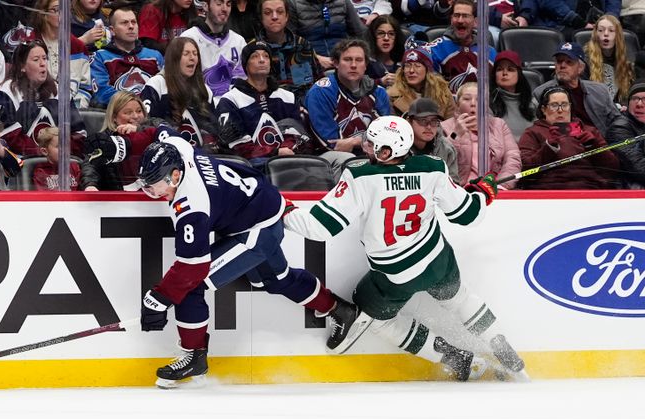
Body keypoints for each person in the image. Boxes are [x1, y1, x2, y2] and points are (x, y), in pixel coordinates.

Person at [282, 115, 527, 381]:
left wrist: (279, 208)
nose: (365, 146)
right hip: (438, 262)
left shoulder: (360, 176)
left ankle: (455, 357)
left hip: (394, 276)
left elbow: (316, 228)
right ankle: (504, 350)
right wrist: (481, 193)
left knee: (374, 318)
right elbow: (467, 215)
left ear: (386, 151)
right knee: (461, 300)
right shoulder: (432, 167)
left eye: (371, 143)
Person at [128, 136, 350, 388]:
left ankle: (194, 356)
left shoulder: (192, 207)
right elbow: (161, 131)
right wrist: (120, 146)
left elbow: (193, 268)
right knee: (277, 279)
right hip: (261, 207)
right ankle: (338, 308)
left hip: (255, 229)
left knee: (190, 288)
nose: (153, 193)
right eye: (147, 186)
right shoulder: (179, 149)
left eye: (155, 186)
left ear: (176, 175)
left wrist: (159, 298)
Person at [216, 41, 312, 166]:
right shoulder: (230, 100)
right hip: (251, 167)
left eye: (266, 56)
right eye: (255, 56)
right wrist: (275, 152)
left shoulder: (287, 97)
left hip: (291, 163)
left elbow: (299, 135)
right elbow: (236, 145)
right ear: (245, 65)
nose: (262, 60)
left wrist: (286, 151)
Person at [0, 40, 87, 158]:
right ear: (22, 66)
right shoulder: (5, 94)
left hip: (61, 160)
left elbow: (79, 133)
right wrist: (43, 154)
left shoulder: (60, 92)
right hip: (23, 165)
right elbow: (9, 138)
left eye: (44, 58)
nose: (42, 64)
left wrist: (60, 153)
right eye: (36, 60)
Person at [304, 39, 391, 167]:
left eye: (359, 60)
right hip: (325, 156)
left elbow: (387, 134)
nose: (354, 65)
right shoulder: (321, 92)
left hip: (370, 152)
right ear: (335, 63)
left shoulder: (378, 92)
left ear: (366, 65)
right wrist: (368, 143)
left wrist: (356, 141)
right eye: (348, 59)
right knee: (349, 160)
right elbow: (333, 144)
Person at [518, 85, 619, 189]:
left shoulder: (589, 131)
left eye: (564, 105)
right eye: (554, 105)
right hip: (549, 191)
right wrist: (548, 148)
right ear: (543, 109)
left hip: (589, 190)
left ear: (570, 107)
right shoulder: (533, 132)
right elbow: (525, 171)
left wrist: (594, 147)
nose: (560, 110)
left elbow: (613, 168)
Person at [140, 37, 219, 151]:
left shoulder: (204, 89)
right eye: (186, 54)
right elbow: (145, 122)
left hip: (203, 156)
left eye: (195, 53)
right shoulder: (157, 84)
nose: (192, 58)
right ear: (174, 58)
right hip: (167, 152)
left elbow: (212, 125)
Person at [533, 42, 622, 139]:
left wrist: (615, 139)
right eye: (559, 61)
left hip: (600, 143)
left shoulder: (600, 90)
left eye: (569, 62)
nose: (562, 65)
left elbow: (616, 119)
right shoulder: (541, 93)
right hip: (563, 144)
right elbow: (538, 127)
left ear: (580, 68)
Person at [442, 82, 521, 188]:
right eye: (466, 99)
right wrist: (456, 134)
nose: (473, 103)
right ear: (457, 103)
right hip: (459, 191)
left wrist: (501, 185)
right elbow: (441, 160)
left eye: (479, 99)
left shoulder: (499, 125)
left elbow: (513, 157)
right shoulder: (444, 127)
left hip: (496, 188)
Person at [90, 6, 164, 106]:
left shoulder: (155, 56)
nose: (131, 26)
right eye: (124, 23)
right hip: (116, 116)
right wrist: (136, 104)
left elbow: (166, 87)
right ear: (112, 30)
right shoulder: (100, 57)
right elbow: (102, 94)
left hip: (153, 114)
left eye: (133, 22)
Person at [26, 0, 93, 109]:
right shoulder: (30, 44)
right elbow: (23, 84)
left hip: (72, 114)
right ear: (43, 14)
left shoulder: (78, 46)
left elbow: (85, 88)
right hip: (37, 110)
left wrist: (76, 109)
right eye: (57, 10)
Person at [253, 0, 321, 101]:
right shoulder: (253, 50)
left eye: (280, 12)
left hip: (307, 105)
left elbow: (320, 80)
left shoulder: (303, 44)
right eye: (268, 13)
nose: (274, 17)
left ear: (287, 17)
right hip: (271, 108)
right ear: (261, 18)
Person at [424, 0, 497, 92]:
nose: (460, 20)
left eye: (465, 16)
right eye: (456, 15)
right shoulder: (435, 49)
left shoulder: (490, 53)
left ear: (475, 22)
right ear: (451, 19)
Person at [180, 0, 247, 100]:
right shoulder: (188, 39)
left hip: (232, 107)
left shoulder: (239, 41)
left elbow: (243, 81)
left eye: (228, 4)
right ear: (206, 6)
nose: (224, 9)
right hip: (199, 106)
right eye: (219, 4)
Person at [386, 46, 455, 118]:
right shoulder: (391, 96)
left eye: (417, 66)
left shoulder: (443, 93)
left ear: (427, 70)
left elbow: (451, 124)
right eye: (407, 66)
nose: (411, 70)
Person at [285, 0, 367, 61]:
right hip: (311, 60)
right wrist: (315, 58)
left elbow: (360, 33)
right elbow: (290, 42)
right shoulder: (293, 3)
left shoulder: (343, 2)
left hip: (343, 58)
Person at [584, 14, 634, 104]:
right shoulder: (585, 61)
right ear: (595, 34)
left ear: (618, 35)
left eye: (611, 30)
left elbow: (627, 95)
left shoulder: (626, 62)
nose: (606, 34)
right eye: (601, 30)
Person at [403, 97, 459, 179]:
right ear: (409, 121)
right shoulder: (397, 147)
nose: (429, 127)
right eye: (423, 120)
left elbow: (454, 184)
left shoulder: (447, 149)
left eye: (434, 121)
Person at [489, 49, 536, 141]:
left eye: (510, 69)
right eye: (499, 69)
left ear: (519, 74)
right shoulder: (488, 102)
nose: (504, 73)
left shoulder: (532, 103)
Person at [607, 81, 645, 187]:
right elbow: (638, 166)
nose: (639, 104)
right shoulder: (619, 127)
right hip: (631, 187)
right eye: (635, 99)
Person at [32, 126, 94, 191]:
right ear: (45, 151)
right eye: (58, 146)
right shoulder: (41, 173)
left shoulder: (75, 167)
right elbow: (43, 198)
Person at [517, 0, 619, 39]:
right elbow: (549, 3)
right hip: (563, 25)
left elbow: (613, 3)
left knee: (619, 37)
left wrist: (609, 20)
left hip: (598, 23)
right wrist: (578, 22)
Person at [366, 14, 405, 89]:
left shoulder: (404, 62)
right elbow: (357, 86)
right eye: (381, 33)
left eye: (391, 34)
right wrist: (380, 82)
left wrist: (401, 82)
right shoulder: (365, 62)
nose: (386, 38)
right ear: (373, 36)